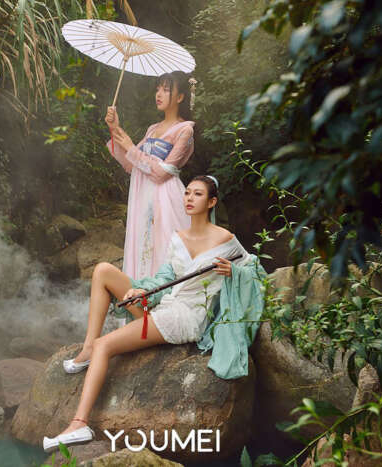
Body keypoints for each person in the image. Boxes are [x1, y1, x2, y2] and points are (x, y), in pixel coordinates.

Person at [42, 175, 266, 451]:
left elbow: (256, 273)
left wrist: (235, 272)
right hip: (167, 304)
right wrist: (142, 292)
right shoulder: (178, 238)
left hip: (187, 317)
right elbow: (164, 280)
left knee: (105, 345)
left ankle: (80, 424)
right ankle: (87, 348)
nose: (189, 198)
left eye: (197, 194)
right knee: (102, 271)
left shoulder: (226, 240)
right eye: (187, 193)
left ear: (212, 202)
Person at [106, 71, 197, 283]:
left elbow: (163, 172)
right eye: (158, 89)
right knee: (142, 245)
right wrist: (114, 128)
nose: (159, 94)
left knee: (162, 248)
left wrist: (131, 147)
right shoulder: (152, 129)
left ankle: (161, 299)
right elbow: (130, 163)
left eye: (166, 90)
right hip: (143, 194)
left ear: (180, 97)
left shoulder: (185, 130)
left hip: (165, 197)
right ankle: (140, 298)